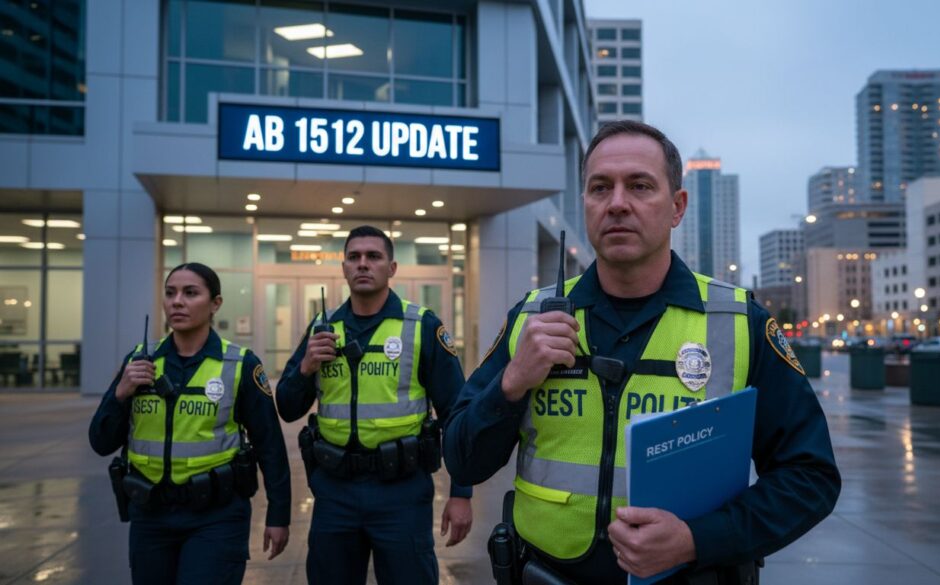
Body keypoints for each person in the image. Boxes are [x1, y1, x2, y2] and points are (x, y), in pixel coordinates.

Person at [444, 120, 841, 585]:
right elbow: (462, 459)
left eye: (639, 186)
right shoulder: (530, 321)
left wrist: (698, 538)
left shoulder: (739, 324)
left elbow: (810, 478)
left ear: (677, 207)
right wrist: (510, 384)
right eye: (599, 188)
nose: (617, 203)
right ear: (586, 204)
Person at [276, 225, 473, 585]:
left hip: (402, 492)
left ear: (392, 268)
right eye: (354, 257)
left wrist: (461, 494)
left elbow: (455, 414)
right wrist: (306, 368)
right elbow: (287, 407)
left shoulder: (421, 326)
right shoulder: (323, 328)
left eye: (373, 256)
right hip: (334, 491)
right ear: (344, 268)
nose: (363, 264)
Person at [89, 262, 291, 585]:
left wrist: (279, 515)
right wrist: (120, 393)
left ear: (215, 304)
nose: (177, 301)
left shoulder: (239, 365)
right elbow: (100, 441)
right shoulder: (140, 361)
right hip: (151, 517)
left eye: (190, 293)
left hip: (217, 517)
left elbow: (270, 446)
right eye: (170, 293)